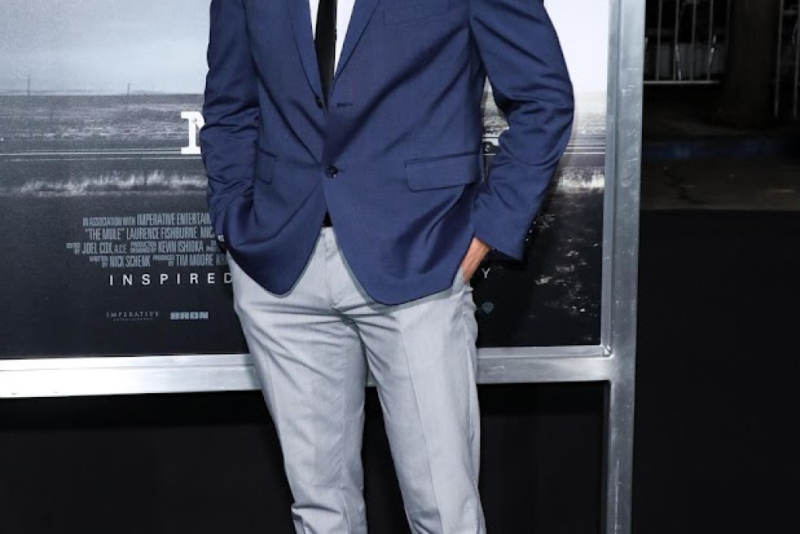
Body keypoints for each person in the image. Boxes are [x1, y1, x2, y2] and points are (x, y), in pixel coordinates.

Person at [200, 0, 573, 532]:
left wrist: (491, 228)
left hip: (420, 257)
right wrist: (233, 217)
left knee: (443, 513)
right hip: (280, 269)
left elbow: (543, 97)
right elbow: (229, 106)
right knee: (321, 514)